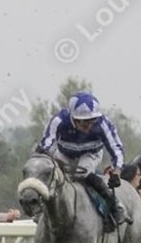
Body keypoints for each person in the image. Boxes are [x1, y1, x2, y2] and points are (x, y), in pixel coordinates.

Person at [35, 91, 131, 224]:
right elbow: (46, 142)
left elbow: (116, 148)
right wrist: (41, 156)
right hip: (64, 153)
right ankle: (41, 209)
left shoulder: (102, 123)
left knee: (82, 174)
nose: (89, 125)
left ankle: (116, 206)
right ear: (73, 118)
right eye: (85, 122)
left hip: (91, 154)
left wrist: (117, 172)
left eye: (92, 120)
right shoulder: (59, 121)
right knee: (54, 174)